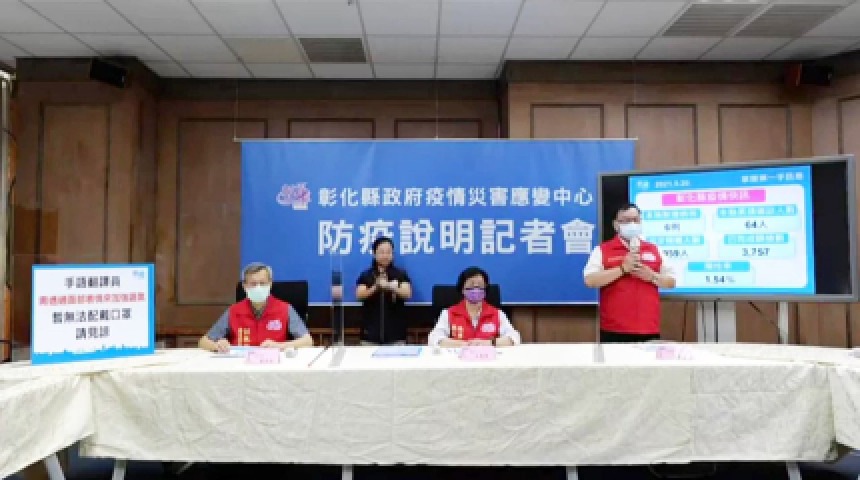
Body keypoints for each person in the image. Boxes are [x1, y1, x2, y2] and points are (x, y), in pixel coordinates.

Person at [583, 203, 676, 343]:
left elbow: (671, 282)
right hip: (614, 329)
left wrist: (652, 276)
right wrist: (622, 269)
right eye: (626, 221)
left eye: (636, 220)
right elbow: (590, 280)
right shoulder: (602, 250)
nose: (632, 224)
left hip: (648, 328)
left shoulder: (654, 249)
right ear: (616, 225)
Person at [199, 262, 313, 352]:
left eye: (262, 283)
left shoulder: (285, 309)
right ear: (244, 286)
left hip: (272, 365)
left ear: (270, 284)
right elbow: (203, 342)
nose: (258, 287)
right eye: (253, 284)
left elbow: (308, 341)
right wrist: (217, 346)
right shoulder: (233, 311)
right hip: (240, 366)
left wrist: (280, 346)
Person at [428, 266, 520, 347]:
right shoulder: (448, 313)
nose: (476, 289)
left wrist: (489, 343)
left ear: (485, 290)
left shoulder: (497, 314)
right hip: (458, 358)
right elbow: (434, 338)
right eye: (471, 285)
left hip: (488, 358)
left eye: (480, 285)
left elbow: (514, 338)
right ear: (462, 289)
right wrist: (463, 344)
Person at [355, 236, 412, 345]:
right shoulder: (367, 275)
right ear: (374, 254)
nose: (385, 256)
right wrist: (375, 287)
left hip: (396, 336)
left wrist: (391, 287)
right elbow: (359, 295)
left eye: (389, 252)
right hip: (370, 336)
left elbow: (407, 293)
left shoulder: (400, 274)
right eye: (381, 252)